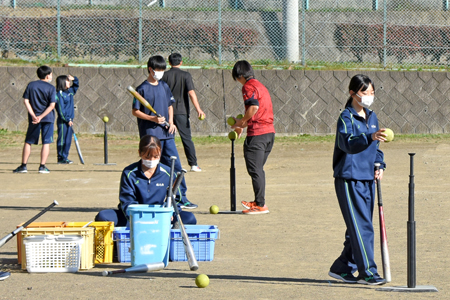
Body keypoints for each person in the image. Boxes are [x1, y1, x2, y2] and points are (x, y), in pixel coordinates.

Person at [328, 74, 388, 286]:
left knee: (358, 226)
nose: (369, 96)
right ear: (352, 93)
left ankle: (342, 266)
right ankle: (367, 272)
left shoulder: (372, 116)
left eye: (372, 93)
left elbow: (376, 148)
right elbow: (347, 144)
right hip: (349, 178)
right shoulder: (346, 117)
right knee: (362, 227)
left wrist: (379, 164)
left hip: (367, 178)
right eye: (365, 92)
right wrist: (369, 138)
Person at [131, 55, 197, 209]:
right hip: (150, 135)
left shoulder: (164, 86)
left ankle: (182, 198)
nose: (160, 72)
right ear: (150, 69)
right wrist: (151, 118)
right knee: (151, 167)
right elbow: (135, 111)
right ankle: (150, 198)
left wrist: (172, 122)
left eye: (162, 70)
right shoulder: (141, 89)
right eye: (158, 70)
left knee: (176, 166)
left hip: (167, 134)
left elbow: (170, 106)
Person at [95, 135, 197, 227]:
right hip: (135, 217)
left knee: (189, 218)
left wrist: (171, 212)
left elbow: (178, 199)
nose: (151, 160)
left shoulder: (169, 173)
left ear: (160, 154)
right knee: (103, 216)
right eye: (147, 156)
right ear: (140, 153)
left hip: (161, 216)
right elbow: (127, 201)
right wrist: (138, 218)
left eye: (155, 156)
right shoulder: (129, 172)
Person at [230, 60, 275, 215]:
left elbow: (254, 107)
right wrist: (242, 124)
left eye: (237, 78)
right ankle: (258, 201)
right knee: (257, 170)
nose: (238, 82)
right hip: (269, 133)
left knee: (255, 170)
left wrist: (242, 123)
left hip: (258, 134)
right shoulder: (260, 86)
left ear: (241, 76)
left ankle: (261, 205)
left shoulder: (248, 86)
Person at [162, 53, 205, 172]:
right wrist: (198, 109)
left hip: (166, 111)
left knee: (168, 139)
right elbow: (191, 93)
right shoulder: (186, 75)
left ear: (169, 63)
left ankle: (166, 165)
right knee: (186, 138)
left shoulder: (164, 75)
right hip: (182, 112)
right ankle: (193, 164)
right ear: (181, 62)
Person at [13, 65, 56, 174]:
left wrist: (34, 115)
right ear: (47, 76)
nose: (51, 76)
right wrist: (41, 117)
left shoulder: (31, 85)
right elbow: (52, 105)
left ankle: (23, 166)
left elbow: (26, 101)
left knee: (28, 142)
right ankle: (42, 166)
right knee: (46, 142)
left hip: (33, 119)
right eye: (50, 74)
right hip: (47, 118)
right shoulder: (51, 88)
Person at [55, 75, 79, 164]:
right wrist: (67, 119)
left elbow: (76, 86)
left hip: (70, 120)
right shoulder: (59, 94)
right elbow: (61, 110)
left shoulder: (70, 92)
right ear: (62, 82)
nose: (69, 82)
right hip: (63, 121)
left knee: (68, 140)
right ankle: (60, 157)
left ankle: (65, 157)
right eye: (67, 81)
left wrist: (75, 79)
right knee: (62, 139)